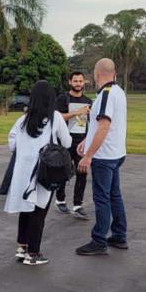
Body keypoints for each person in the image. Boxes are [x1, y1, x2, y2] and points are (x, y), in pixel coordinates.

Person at [5, 80, 72, 266]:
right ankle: (33, 253)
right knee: (39, 213)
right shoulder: (55, 117)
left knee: (26, 209)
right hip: (43, 173)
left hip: (23, 173)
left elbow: (12, 143)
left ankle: (22, 247)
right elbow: (66, 143)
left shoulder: (23, 120)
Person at [75, 58, 128, 256]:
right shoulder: (118, 92)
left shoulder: (105, 95)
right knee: (114, 195)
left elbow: (104, 125)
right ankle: (119, 235)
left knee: (102, 198)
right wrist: (86, 142)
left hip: (104, 157)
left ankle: (98, 240)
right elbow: (102, 126)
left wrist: (88, 155)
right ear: (113, 73)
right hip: (116, 153)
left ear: (96, 75)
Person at [53, 71, 93, 219]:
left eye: (81, 81)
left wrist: (87, 139)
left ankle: (78, 204)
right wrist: (76, 112)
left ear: (84, 82)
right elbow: (57, 117)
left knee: (82, 171)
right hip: (64, 140)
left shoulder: (88, 101)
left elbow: (91, 123)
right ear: (70, 82)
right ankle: (60, 199)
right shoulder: (63, 99)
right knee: (63, 171)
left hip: (81, 141)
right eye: (75, 81)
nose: (78, 84)